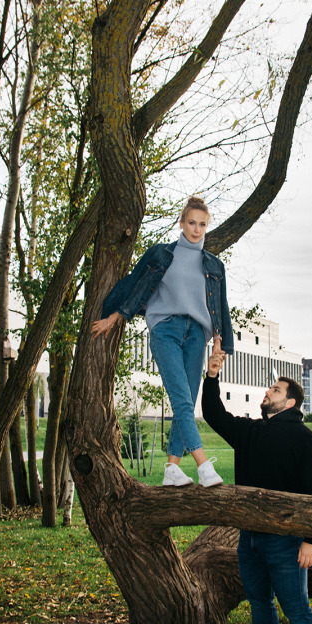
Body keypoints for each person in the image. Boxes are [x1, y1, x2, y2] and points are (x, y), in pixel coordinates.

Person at [202, 347, 312, 624]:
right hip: (250, 538)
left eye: (275, 390)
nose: (267, 392)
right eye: (269, 388)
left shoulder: (304, 439)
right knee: (260, 602)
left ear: (289, 403)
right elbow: (213, 414)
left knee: (297, 608)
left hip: (288, 542)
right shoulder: (250, 432)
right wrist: (212, 375)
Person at [92, 195, 234, 487]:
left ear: (207, 227)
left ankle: (171, 469)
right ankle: (203, 466)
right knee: (181, 399)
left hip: (197, 334)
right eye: (191, 223)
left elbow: (219, 306)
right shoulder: (160, 254)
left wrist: (219, 341)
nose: (196, 229)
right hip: (165, 329)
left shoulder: (214, 265)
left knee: (188, 401)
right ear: (181, 223)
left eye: (202, 225)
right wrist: (113, 316)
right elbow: (135, 284)